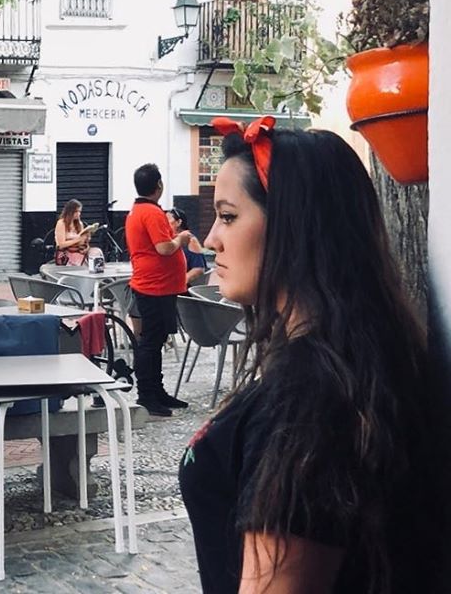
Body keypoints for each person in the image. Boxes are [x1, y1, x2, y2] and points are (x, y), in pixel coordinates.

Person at [179, 116, 435, 593]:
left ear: (293, 228)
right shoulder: (355, 362)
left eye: (229, 216)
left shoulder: (307, 398)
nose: (211, 238)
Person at [125, 163, 191, 416]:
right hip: (155, 286)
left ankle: (157, 390)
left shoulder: (138, 210)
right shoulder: (151, 213)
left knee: (156, 339)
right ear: (159, 186)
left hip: (157, 284)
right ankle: (147, 394)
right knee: (151, 342)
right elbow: (164, 248)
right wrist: (181, 239)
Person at [166, 207, 209, 287]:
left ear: (179, 222)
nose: (164, 223)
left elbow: (199, 268)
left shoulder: (190, 239)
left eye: (167, 220)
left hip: (181, 287)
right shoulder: (165, 240)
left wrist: (180, 282)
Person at [53, 198, 90, 266]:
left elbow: (81, 242)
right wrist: (77, 240)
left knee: (96, 252)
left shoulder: (79, 224)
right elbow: (61, 245)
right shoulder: (61, 223)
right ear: (70, 212)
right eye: (76, 211)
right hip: (65, 254)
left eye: (80, 212)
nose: (78, 214)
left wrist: (85, 242)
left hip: (78, 251)